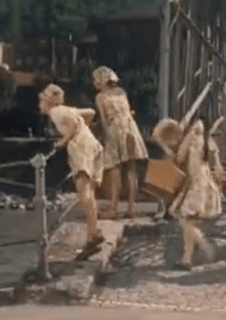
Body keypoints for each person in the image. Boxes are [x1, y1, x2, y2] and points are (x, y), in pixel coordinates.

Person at [38, 84, 105, 259]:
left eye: (41, 100)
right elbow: (90, 113)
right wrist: (84, 130)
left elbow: (74, 124)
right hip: (93, 145)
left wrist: (64, 141)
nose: (39, 104)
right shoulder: (67, 109)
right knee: (89, 191)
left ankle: (93, 236)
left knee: (84, 192)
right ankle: (93, 233)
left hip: (81, 148)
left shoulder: (55, 112)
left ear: (48, 101)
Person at [151, 116, 225, 270]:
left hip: (195, 184)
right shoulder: (203, 137)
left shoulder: (190, 138)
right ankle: (187, 259)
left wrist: (167, 149)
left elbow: (179, 157)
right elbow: (214, 153)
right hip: (203, 181)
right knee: (190, 221)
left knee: (184, 220)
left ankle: (204, 244)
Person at [92, 66, 149, 220]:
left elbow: (104, 119)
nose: (94, 83)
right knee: (131, 169)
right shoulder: (122, 92)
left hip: (115, 130)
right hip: (130, 129)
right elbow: (128, 111)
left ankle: (113, 208)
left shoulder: (100, 97)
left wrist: (105, 138)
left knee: (115, 170)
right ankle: (131, 208)